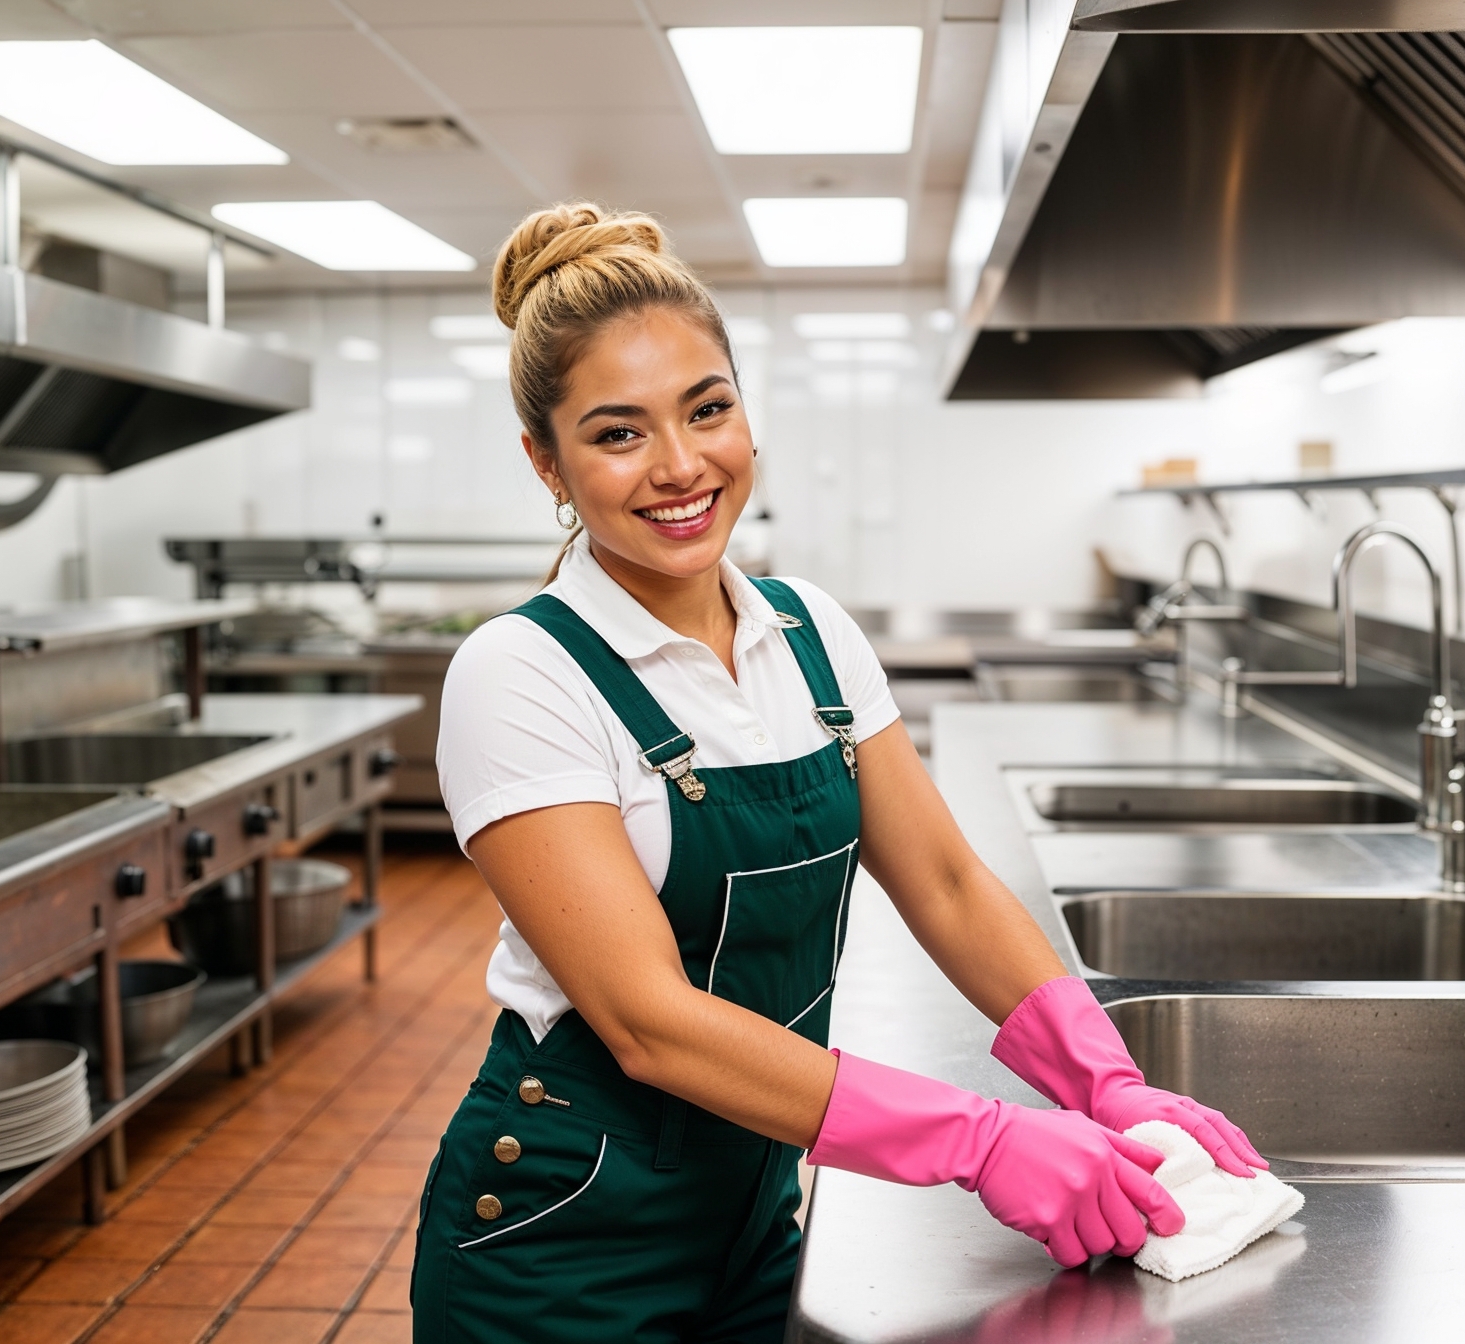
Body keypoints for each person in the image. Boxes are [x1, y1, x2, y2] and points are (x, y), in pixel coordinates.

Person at [411, 203, 1263, 1344]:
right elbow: (648, 1022)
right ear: (546, 463)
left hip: (759, 1207)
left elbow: (948, 887)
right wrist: (980, 1138)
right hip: (563, 1238)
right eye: (618, 434)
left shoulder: (809, 635)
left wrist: (1103, 1080)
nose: (679, 467)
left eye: (707, 410)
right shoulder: (521, 672)